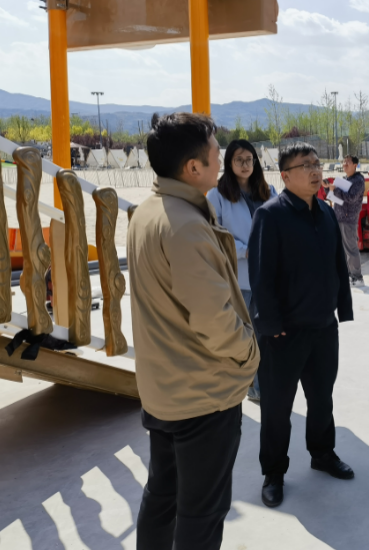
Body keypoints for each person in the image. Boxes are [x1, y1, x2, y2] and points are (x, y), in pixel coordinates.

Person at [129, 113, 259, 550]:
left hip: (164, 387)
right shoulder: (185, 225)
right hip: (202, 396)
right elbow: (214, 319)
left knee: (162, 496)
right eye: (215, 152)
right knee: (201, 513)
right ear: (193, 167)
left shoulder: (149, 211)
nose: (220, 160)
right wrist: (249, 354)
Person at [248, 142, 355, 509]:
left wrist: (342, 308)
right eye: (305, 165)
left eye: (317, 164)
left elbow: (338, 264)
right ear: (285, 175)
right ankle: (273, 472)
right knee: (277, 406)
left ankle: (322, 453)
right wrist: (270, 324)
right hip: (284, 333)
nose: (315, 171)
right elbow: (261, 275)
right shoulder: (270, 215)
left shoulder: (324, 211)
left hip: (323, 327)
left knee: (322, 398)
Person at [208, 140, 277, 402]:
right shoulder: (218, 195)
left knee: (265, 334)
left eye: (249, 159)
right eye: (239, 160)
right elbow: (213, 233)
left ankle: (259, 386)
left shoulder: (267, 190)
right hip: (239, 278)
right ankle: (243, 386)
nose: (245, 164)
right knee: (241, 336)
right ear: (229, 163)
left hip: (266, 276)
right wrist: (244, 250)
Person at [328, 154, 366, 286]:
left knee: (351, 249)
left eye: (348, 162)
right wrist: (330, 190)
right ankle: (348, 274)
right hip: (338, 217)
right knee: (342, 249)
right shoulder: (344, 179)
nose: (344, 164)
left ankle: (357, 277)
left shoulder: (358, 181)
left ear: (355, 165)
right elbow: (338, 196)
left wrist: (335, 190)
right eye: (344, 162)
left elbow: (351, 198)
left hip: (348, 218)